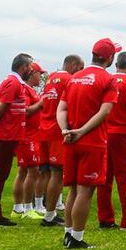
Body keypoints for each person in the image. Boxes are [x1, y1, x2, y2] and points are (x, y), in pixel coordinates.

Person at [57, 38, 121, 250]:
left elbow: (62, 109)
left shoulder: (74, 78)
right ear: (110, 58)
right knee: (85, 191)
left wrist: (65, 129)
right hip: (92, 141)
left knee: (73, 190)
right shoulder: (108, 80)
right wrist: (82, 131)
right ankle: (76, 237)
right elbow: (105, 112)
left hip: (70, 140)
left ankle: (68, 233)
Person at [0, 53, 36, 227]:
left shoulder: (14, 83)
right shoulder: (13, 83)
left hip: (8, 135)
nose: (32, 70)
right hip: (5, 135)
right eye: (30, 66)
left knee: (0, 174)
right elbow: (1, 107)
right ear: (24, 67)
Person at [97, 51, 126, 230]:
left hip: (104, 132)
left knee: (104, 177)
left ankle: (105, 218)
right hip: (122, 132)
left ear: (116, 63)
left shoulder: (106, 80)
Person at [37, 54, 82, 227]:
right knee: (57, 174)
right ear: (73, 64)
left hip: (44, 128)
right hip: (57, 131)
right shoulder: (68, 79)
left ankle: (49, 209)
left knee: (47, 173)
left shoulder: (51, 78)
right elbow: (69, 104)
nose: (79, 72)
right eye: (79, 68)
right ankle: (49, 215)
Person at [11, 62, 45, 221]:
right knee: (33, 171)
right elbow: (25, 111)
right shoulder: (25, 89)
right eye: (40, 73)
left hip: (30, 136)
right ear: (32, 74)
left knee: (23, 171)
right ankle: (27, 207)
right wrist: (41, 103)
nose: (41, 77)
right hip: (28, 137)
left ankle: (18, 208)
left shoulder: (30, 90)